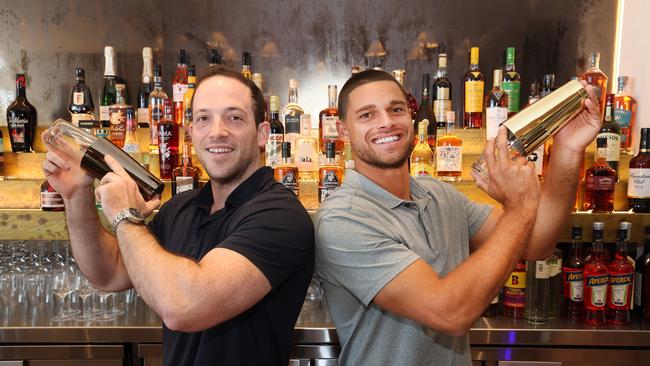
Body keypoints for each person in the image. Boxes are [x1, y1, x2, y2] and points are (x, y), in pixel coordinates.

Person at [314, 70, 601, 365]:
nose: (386, 122)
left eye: (396, 109)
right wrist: (519, 208)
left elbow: (537, 243)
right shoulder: (342, 219)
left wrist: (568, 149)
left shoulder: (439, 195)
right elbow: (449, 313)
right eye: (367, 115)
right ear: (343, 130)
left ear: (411, 117)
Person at [41, 66, 315, 365]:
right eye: (203, 118)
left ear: (262, 134)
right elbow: (108, 273)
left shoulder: (280, 215)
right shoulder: (181, 207)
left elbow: (184, 306)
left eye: (234, 117)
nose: (217, 131)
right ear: (191, 134)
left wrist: (126, 216)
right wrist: (76, 195)